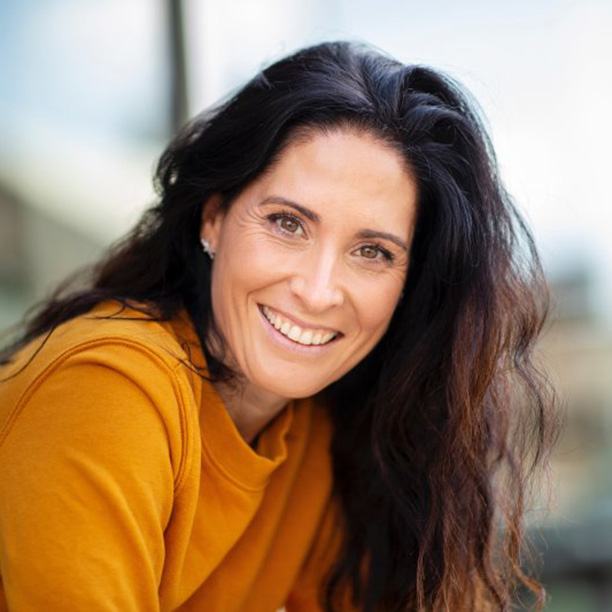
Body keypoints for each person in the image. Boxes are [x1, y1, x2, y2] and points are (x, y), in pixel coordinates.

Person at [0, 41, 558, 611]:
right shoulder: (106, 390)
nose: (317, 291)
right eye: (288, 223)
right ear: (212, 218)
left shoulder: (317, 434)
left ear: (410, 285)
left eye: (372, 251)